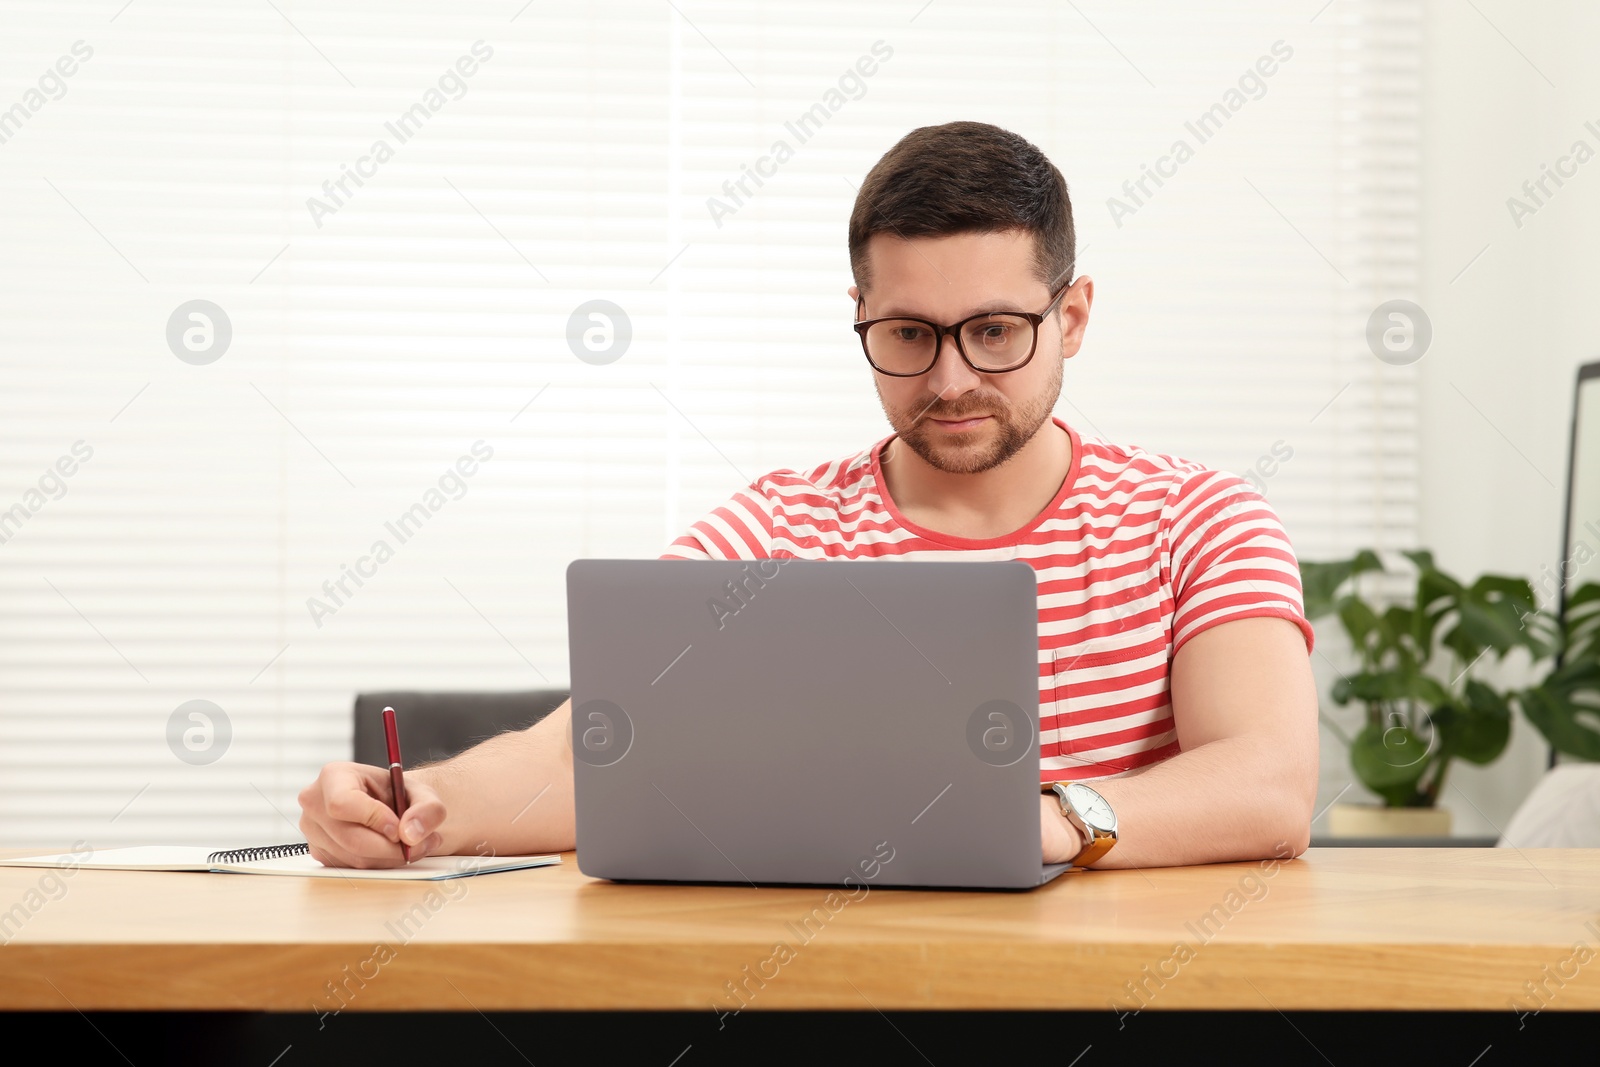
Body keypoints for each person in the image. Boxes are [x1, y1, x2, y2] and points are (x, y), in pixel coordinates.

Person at [299, 121, 1319, 871]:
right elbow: (584, 752)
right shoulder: (775, 529)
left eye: (995, 330)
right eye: (909, 333)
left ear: (1074, 315)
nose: (952, 376)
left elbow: (1269, 782)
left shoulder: (1201, 519)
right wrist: (415, 802)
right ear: (861, 317)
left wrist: (1045, 817)